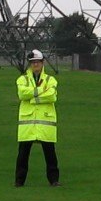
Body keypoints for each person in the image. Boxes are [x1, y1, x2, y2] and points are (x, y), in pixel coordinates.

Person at [15, 49, 60, 187]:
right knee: (23, 154)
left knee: (50, 154)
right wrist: (41, 91)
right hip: (27, 125)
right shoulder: (22, 79)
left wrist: (33, 99)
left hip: (45, 123)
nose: (35, 65)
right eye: (32, 62)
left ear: (42, 63)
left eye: (37, 62)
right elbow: (22, 94)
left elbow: (52, 96)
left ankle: (54, 180)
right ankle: (19, 181)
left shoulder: (50, 79)